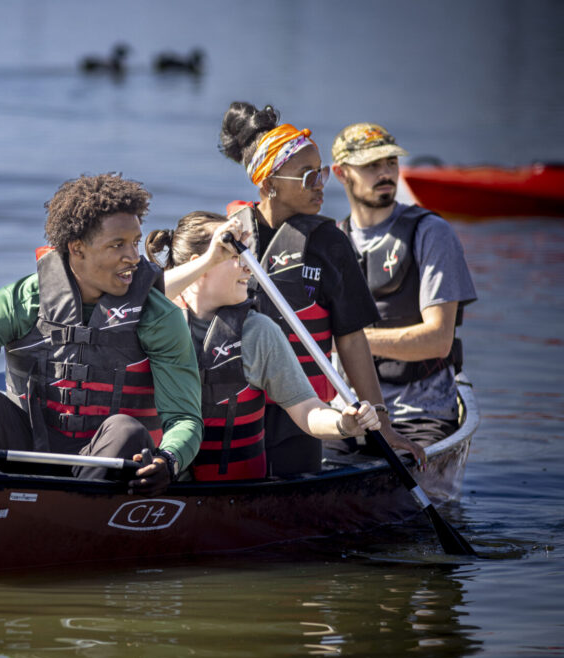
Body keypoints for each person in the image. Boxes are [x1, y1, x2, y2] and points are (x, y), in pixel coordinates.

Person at [0, 173, 203, 496]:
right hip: (26, 454)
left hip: (107, 463)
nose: (134, 257)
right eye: (117, 245)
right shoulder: (19, 302)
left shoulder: (159, 317)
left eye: (135, 242)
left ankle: (71, 525)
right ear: (77, 249)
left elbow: (185, 419)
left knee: (126, 432)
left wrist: (168, 460)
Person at [215, 101, 425, 475]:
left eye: (322, 173)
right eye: (307, 176)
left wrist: (383, 423)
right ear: (267, 184)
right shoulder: (228, 236)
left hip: (303, 413)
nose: (320, 185)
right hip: (231, 406)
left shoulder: (330, 243)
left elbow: (351, 338)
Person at [146, 211, 380, 480]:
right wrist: (213, 257)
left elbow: (307, 409)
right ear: (201, 265)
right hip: (160, 482)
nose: (249, 267)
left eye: (247, 256)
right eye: (235, 257)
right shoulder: (157, 321)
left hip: (236, 493)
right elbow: (138, 298)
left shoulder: (259, 332)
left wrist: (343, 423)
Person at [330, 123, 477, 446]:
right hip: (349, 413)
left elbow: (438, 340)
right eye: (372, 166)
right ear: (341, 173)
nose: (385, 173)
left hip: (421, 413)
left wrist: (351, 341)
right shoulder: (333, 241)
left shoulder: (431, 233)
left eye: (391, 162)